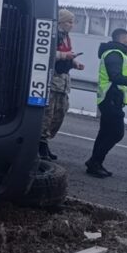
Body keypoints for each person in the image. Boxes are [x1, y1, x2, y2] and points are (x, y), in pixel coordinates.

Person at [85, 28, 127, 178]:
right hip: (110, 98)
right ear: (122, 40)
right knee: (116, 133)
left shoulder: (118, 53)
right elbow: (115, 77)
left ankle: (95, 162)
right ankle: (94, 162)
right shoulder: (114, 54)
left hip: (112, 98)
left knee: (104, 132)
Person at [39, 9, 84, 160]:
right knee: (47, 114)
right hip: (52, 81)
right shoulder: (53, 35)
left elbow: (67, 54)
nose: (71, 25)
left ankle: (44, 142)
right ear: (60, 22)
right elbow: (47, 53)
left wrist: (74, 62)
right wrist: (65, 56)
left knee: (59, 113)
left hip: (63, 82)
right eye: (68, 22)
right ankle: (40, 145)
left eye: (72, 22)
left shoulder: (66, 37)